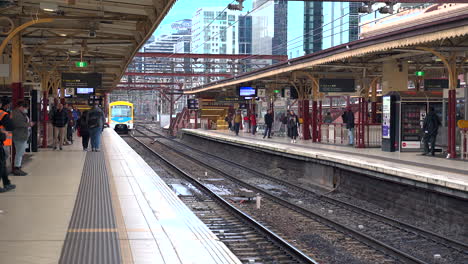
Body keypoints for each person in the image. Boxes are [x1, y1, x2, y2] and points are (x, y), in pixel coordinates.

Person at [11, 100, 34, 176]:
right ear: (21, 107)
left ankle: (18, 167)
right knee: (19, 153)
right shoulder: (16, 114)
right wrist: (29, 124)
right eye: (25, 108)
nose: (26, 109)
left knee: (20, 152)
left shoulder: (21, 113)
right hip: (19, 135)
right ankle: (17, 168)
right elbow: (19, 123)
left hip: (22, 135)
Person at [0, 96, 16, 192]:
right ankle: (6, 183)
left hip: (2, 142)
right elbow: (11, 126)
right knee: (1, 164)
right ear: (7, 105)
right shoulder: (3, 114)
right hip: (2, 142)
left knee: (3, 163)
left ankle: (7, 183)